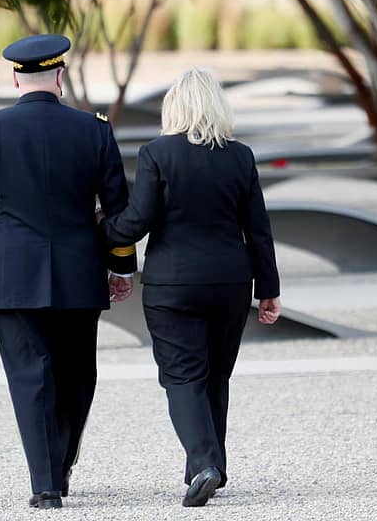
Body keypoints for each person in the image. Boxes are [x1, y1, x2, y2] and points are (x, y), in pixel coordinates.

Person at [0, 34, 137, 510]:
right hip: (78, 270)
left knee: (30, 377)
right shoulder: (93, 129)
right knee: (77, 376)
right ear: (60, 75)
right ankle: (62, 461)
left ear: (14, 78)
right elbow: (117, 208)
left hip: (12, 273)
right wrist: (121, 267)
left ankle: (45, 483)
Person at [98, 67, 281, 508]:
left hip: (173, 285)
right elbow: (258, 229)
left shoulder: (158, 153)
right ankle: (211, 465)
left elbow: (138, 222)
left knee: (182, 376)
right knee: (217, 375)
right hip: (231, 282)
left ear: (173, 108)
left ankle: (203, 464)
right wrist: (268, 289)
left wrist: (100, 229)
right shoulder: (240, 156)